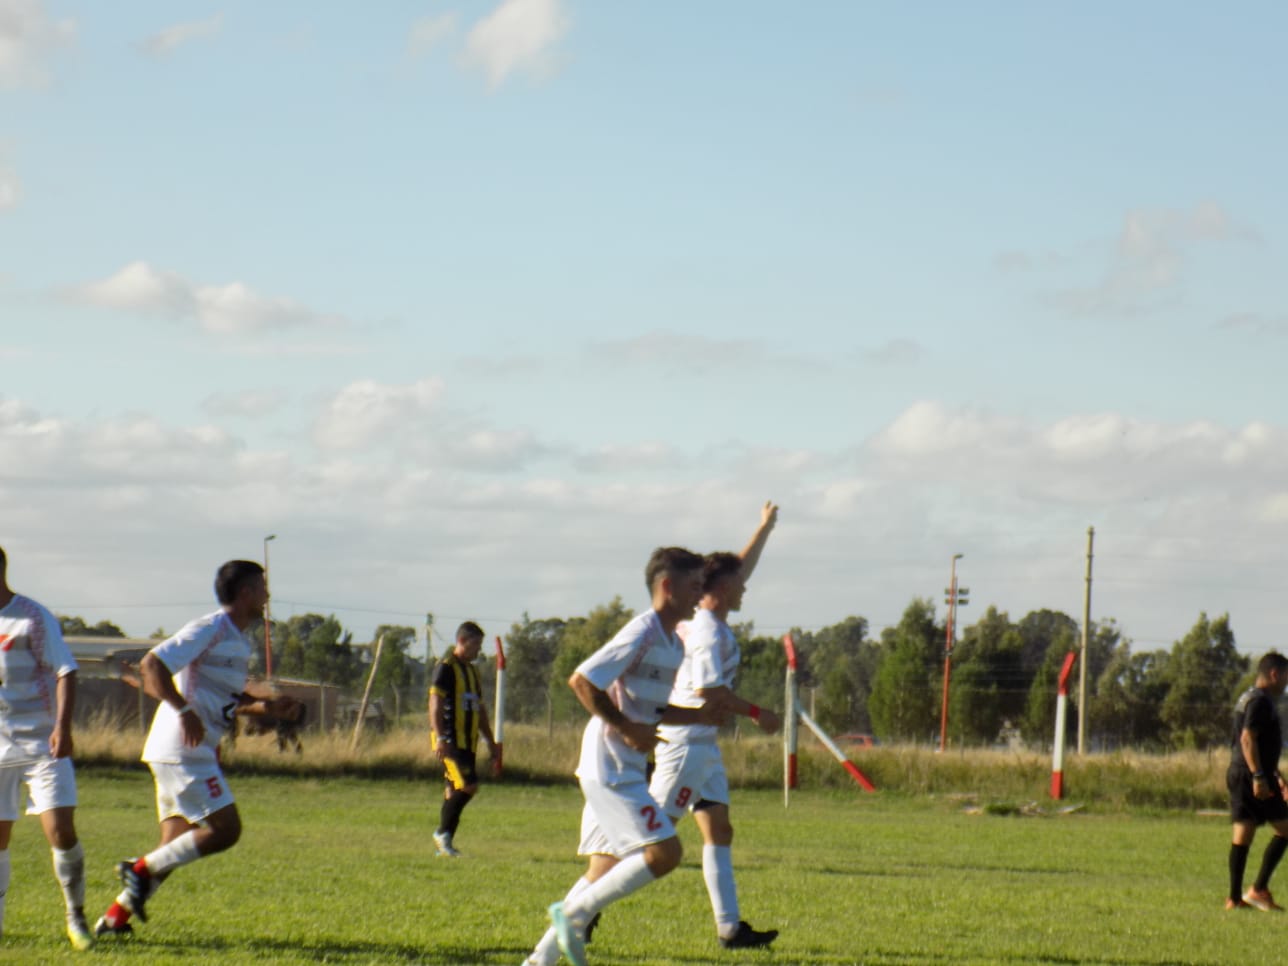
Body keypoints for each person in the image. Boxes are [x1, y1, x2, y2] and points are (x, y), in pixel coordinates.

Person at [523, 546, 713, 966]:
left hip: (622, 767)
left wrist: (699, 714)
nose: (700, 596)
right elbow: (582, 681)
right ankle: (575, 915)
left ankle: (539, 960)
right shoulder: (642, 631)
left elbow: (650, 709)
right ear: (668, 586)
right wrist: (627, 729)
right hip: (608, 767)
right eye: (694, 586)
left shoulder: (673, 644)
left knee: (606, 866)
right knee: (665, 854)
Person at [94, 559, 300, 938]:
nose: (267, 596)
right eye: (262, 588)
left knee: (173, 847)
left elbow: (225, 699)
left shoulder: (237, 641)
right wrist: (184, 710)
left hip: (184, 749)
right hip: (183, 748)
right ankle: (137, 869)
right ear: (246, 593)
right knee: (226, 830)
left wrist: (266, 707)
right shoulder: (211, 628)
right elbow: (152, 664)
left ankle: (113, 921)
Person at [649, 501, 782, 948]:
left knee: (719, 830)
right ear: (722, 588)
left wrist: (764, 528)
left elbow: (738, 567)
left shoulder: (710, 617)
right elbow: (709, 692)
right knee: (653, 835)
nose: (746, 588)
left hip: (703, 744)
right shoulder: (708, 631)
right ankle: (585, 907)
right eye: (740, 584)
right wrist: (759, 713)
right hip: (686, 744)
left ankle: (730, 928)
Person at [0, 546, 94, 950]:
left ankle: (75, 915)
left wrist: (62, 727)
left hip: (41, 742)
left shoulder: (31, 617)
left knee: (60, 829)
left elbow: (65, 670)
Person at [429, 621, 499, 857]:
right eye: (475, 644)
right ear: (461, 641)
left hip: (468, 740)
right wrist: (440, 737)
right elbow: (435, 703)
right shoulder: (446, 667)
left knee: (452, 790)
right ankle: (442, 833)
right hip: (450, 740)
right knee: (469, 785)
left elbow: (479, 709)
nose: (478, 649)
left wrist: (490, 741)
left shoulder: (472, 671)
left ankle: (445, 846)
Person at [1226, 650, 1288, 911]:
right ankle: (1254, 891)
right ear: (1274, 674)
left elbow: (1259, 744)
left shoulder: (1249, 697)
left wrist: (1276, 776)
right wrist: (1259, 775)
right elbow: (1247, 738)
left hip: (1247, 773)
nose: (1286, 683)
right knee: (1278, 829)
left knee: (1246, 831)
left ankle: (1238, 897)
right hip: (1251, 775)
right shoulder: (1261, 701)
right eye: (1286, 677)